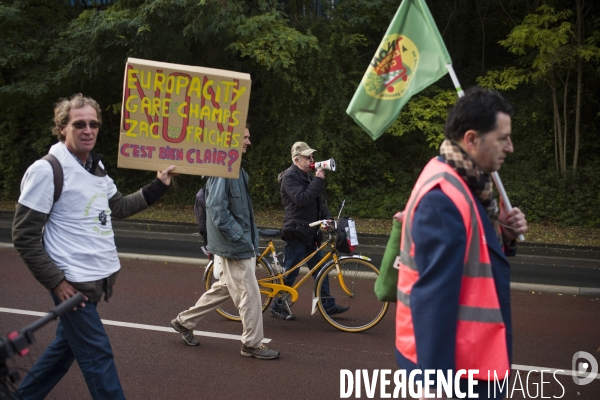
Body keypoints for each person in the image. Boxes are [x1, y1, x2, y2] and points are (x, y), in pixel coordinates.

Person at [12, 93, 176, 399]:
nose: (88, 130)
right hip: (72, 284)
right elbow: (23, 235)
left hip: (95, 281)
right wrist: (57, 282)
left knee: (63, 353)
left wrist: (159, 184)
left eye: (93, 124)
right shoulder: (47, 170)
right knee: (98, 355)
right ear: (62, 128)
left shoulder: (96, 168)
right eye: (79, 124)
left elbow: (120, 206)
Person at [395, 87, 528, 399]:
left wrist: (503, 237)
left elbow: (472, 251)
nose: (510, 147)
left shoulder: (467, 181)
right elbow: (432, 300)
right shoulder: (444, 197)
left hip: (471, 361)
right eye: (502, 137)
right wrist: (434, 387)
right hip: (460, 372)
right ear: (471, 139)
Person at [170, 125, 279, 360]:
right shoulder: (224, 169)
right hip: (234, 246)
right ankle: (251, 344)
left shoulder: (235, 168)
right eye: (245, 137)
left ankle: (184, 322)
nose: (249, 141)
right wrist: (239, 236)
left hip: (238, 244)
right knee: (250, 294)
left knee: (224, 289)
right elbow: (217, 209)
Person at [270, 141, 349, 321]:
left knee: (320, 269)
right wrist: (318, 180)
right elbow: (303, 199)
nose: (312, 160)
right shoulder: (290, 177)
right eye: (308, 157)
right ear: (297, 160)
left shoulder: (306, 177)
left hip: (310, 233)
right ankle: (277, 306)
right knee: (290, 272)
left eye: (312, 157)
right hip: (296, 232)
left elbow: (317, 204)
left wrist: (329, 218)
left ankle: (327, 305)